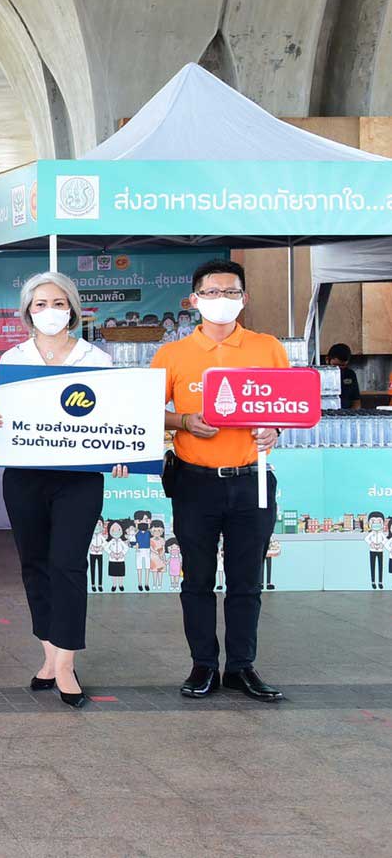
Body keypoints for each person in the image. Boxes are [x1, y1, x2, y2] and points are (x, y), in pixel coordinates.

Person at [0, 271, 129, 708]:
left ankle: (66, 664)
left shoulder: (96, 359)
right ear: (28, 311)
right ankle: (49, 655)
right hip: (26, 476)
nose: (50, 312)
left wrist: (121, 449)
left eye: (59, 303)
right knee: (34, 564)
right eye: (41, 304)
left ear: (73, 309)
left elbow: (115, 415)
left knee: (67, 564)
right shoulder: (13, 357)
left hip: (79, 477)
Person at [151, 258, 288, 703]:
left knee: (247, 581)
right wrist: (184, 420)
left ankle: (242, 667)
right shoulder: (172, 354)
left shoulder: (267, 348)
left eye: (230, 293)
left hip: (253, 480)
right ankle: (203, 665)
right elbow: (148, 411)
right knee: (197, 580)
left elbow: (286, 405)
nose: (221, 301)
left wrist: (275, 428)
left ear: (244, 299)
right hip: (194, 482)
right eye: (211, 293)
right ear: (193, 300)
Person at [326, 343, 361, 409]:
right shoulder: (319, 375)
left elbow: (356, 400)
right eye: (336, 365)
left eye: (342, 365)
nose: (339, 368)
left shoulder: (350, 374)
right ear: (327, 360)